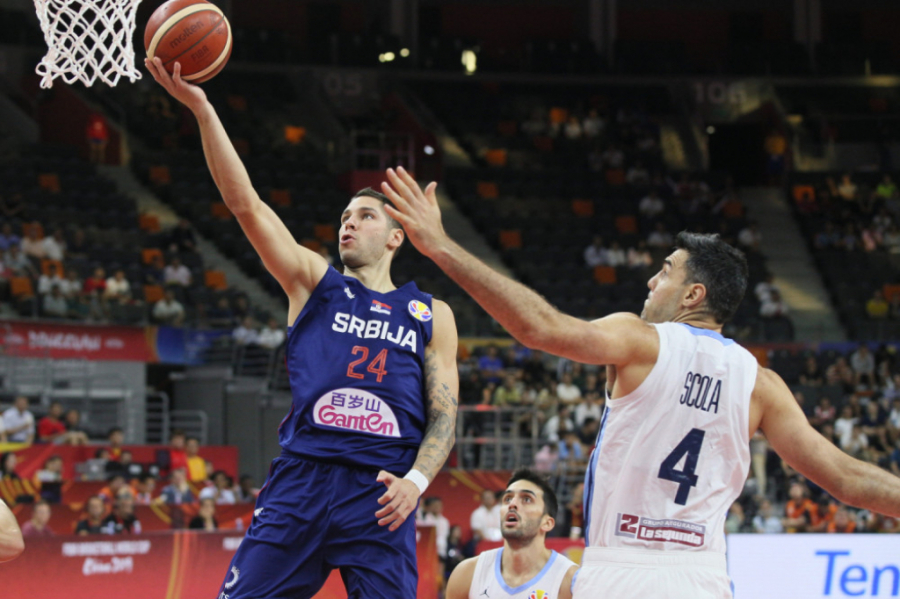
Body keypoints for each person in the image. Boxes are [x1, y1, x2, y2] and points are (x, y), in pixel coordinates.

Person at [382, 167, 900, 599]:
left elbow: (537, 327)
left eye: (666, 271)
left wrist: (441, 246)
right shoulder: (760, 384)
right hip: (703, 577)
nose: (652, 281)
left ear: (693, 295)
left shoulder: (641, 339)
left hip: (620, 569)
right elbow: (845, 478)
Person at [147, 57, 459, 599]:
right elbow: (246, 206)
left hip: (382, 492)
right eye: (344, 217)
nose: (349, 223)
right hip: (303, 480)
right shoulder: (314, 283)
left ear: (396, 238)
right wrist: (203, 110)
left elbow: (444, 416)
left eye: (365, 216)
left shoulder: (431, 313)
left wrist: (416, 482)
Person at [446, 469, 578, 599]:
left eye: (527, 499)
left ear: (547, 523)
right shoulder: (468, 573)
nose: (512, 504)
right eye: (507, 499)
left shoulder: (569, 580)